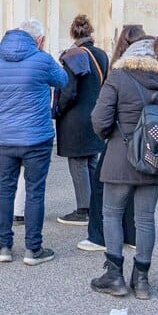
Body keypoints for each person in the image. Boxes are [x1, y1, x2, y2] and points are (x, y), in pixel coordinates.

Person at [90, 34, 158, 299]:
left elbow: (100, 119)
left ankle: (114, 276)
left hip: (120, 157)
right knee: (145, 219)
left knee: (112, 213)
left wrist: (114, 136)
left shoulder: (118, 77)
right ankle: (142, 280)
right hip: (157, 160)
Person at [0, 19, 68, 266]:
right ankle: (33, 249)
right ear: (38, 39)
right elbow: (63, 80)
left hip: (5, 138)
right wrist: (43, 53)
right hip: (37, 137)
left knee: (5, 189)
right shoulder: (42, 59)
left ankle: (4, 246)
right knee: (35, 191)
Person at [78, 25, 144, 253]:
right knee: (139, 189)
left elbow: (101, 116)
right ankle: (134, 236)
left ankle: (99, 237)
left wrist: (105, 133)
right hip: (150, 140)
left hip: (120, 137)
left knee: (102, 187)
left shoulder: (118, 73)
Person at [53, 14, 109, 227]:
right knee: (91, 161)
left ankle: (83, 210)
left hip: (75, 118)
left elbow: (69, 91)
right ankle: (96, 205)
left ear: (72, 33)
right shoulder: (101, 54)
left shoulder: (72, 55)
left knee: (77, 163)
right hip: (95, 113)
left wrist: (58, 109)